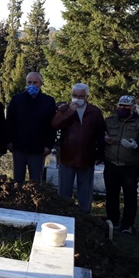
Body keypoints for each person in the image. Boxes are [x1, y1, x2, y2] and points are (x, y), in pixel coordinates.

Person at [51, 83, 105, 213]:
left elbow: (100, 134)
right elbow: (55, 125)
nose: (78, 98)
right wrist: (70, 112)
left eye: (81, 96)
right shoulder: (64, 109)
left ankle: (84, 216)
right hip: (67, 156)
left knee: (85, 191)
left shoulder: (95, 112)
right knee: (64, 190)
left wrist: (100, 154)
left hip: (87, 156)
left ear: (87, 97)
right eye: (75, 95)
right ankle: (63, 214)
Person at [103, 95, 139, 234]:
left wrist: (136, 145)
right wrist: (104, 138)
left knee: (130, 195)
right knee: (111, 193)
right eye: (121, 106)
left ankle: (127, 224)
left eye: (126, 107)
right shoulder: (109, 120)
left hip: (130, 165)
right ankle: (112, 220)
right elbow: (100, 135)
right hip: (111, 163)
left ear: (133, 108)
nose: (123, 108)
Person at [5, 72, 56, 183]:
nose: (32, 85)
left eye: (35, 82)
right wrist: (9, 141)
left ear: (41, 84)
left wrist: (48, 145)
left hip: (38, 148)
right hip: (19, 146)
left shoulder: (48, 101)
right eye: (29, 82)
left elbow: (51, 126)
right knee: (18, 181)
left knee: (36, 181)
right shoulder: (17, 100)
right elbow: (10, 122)